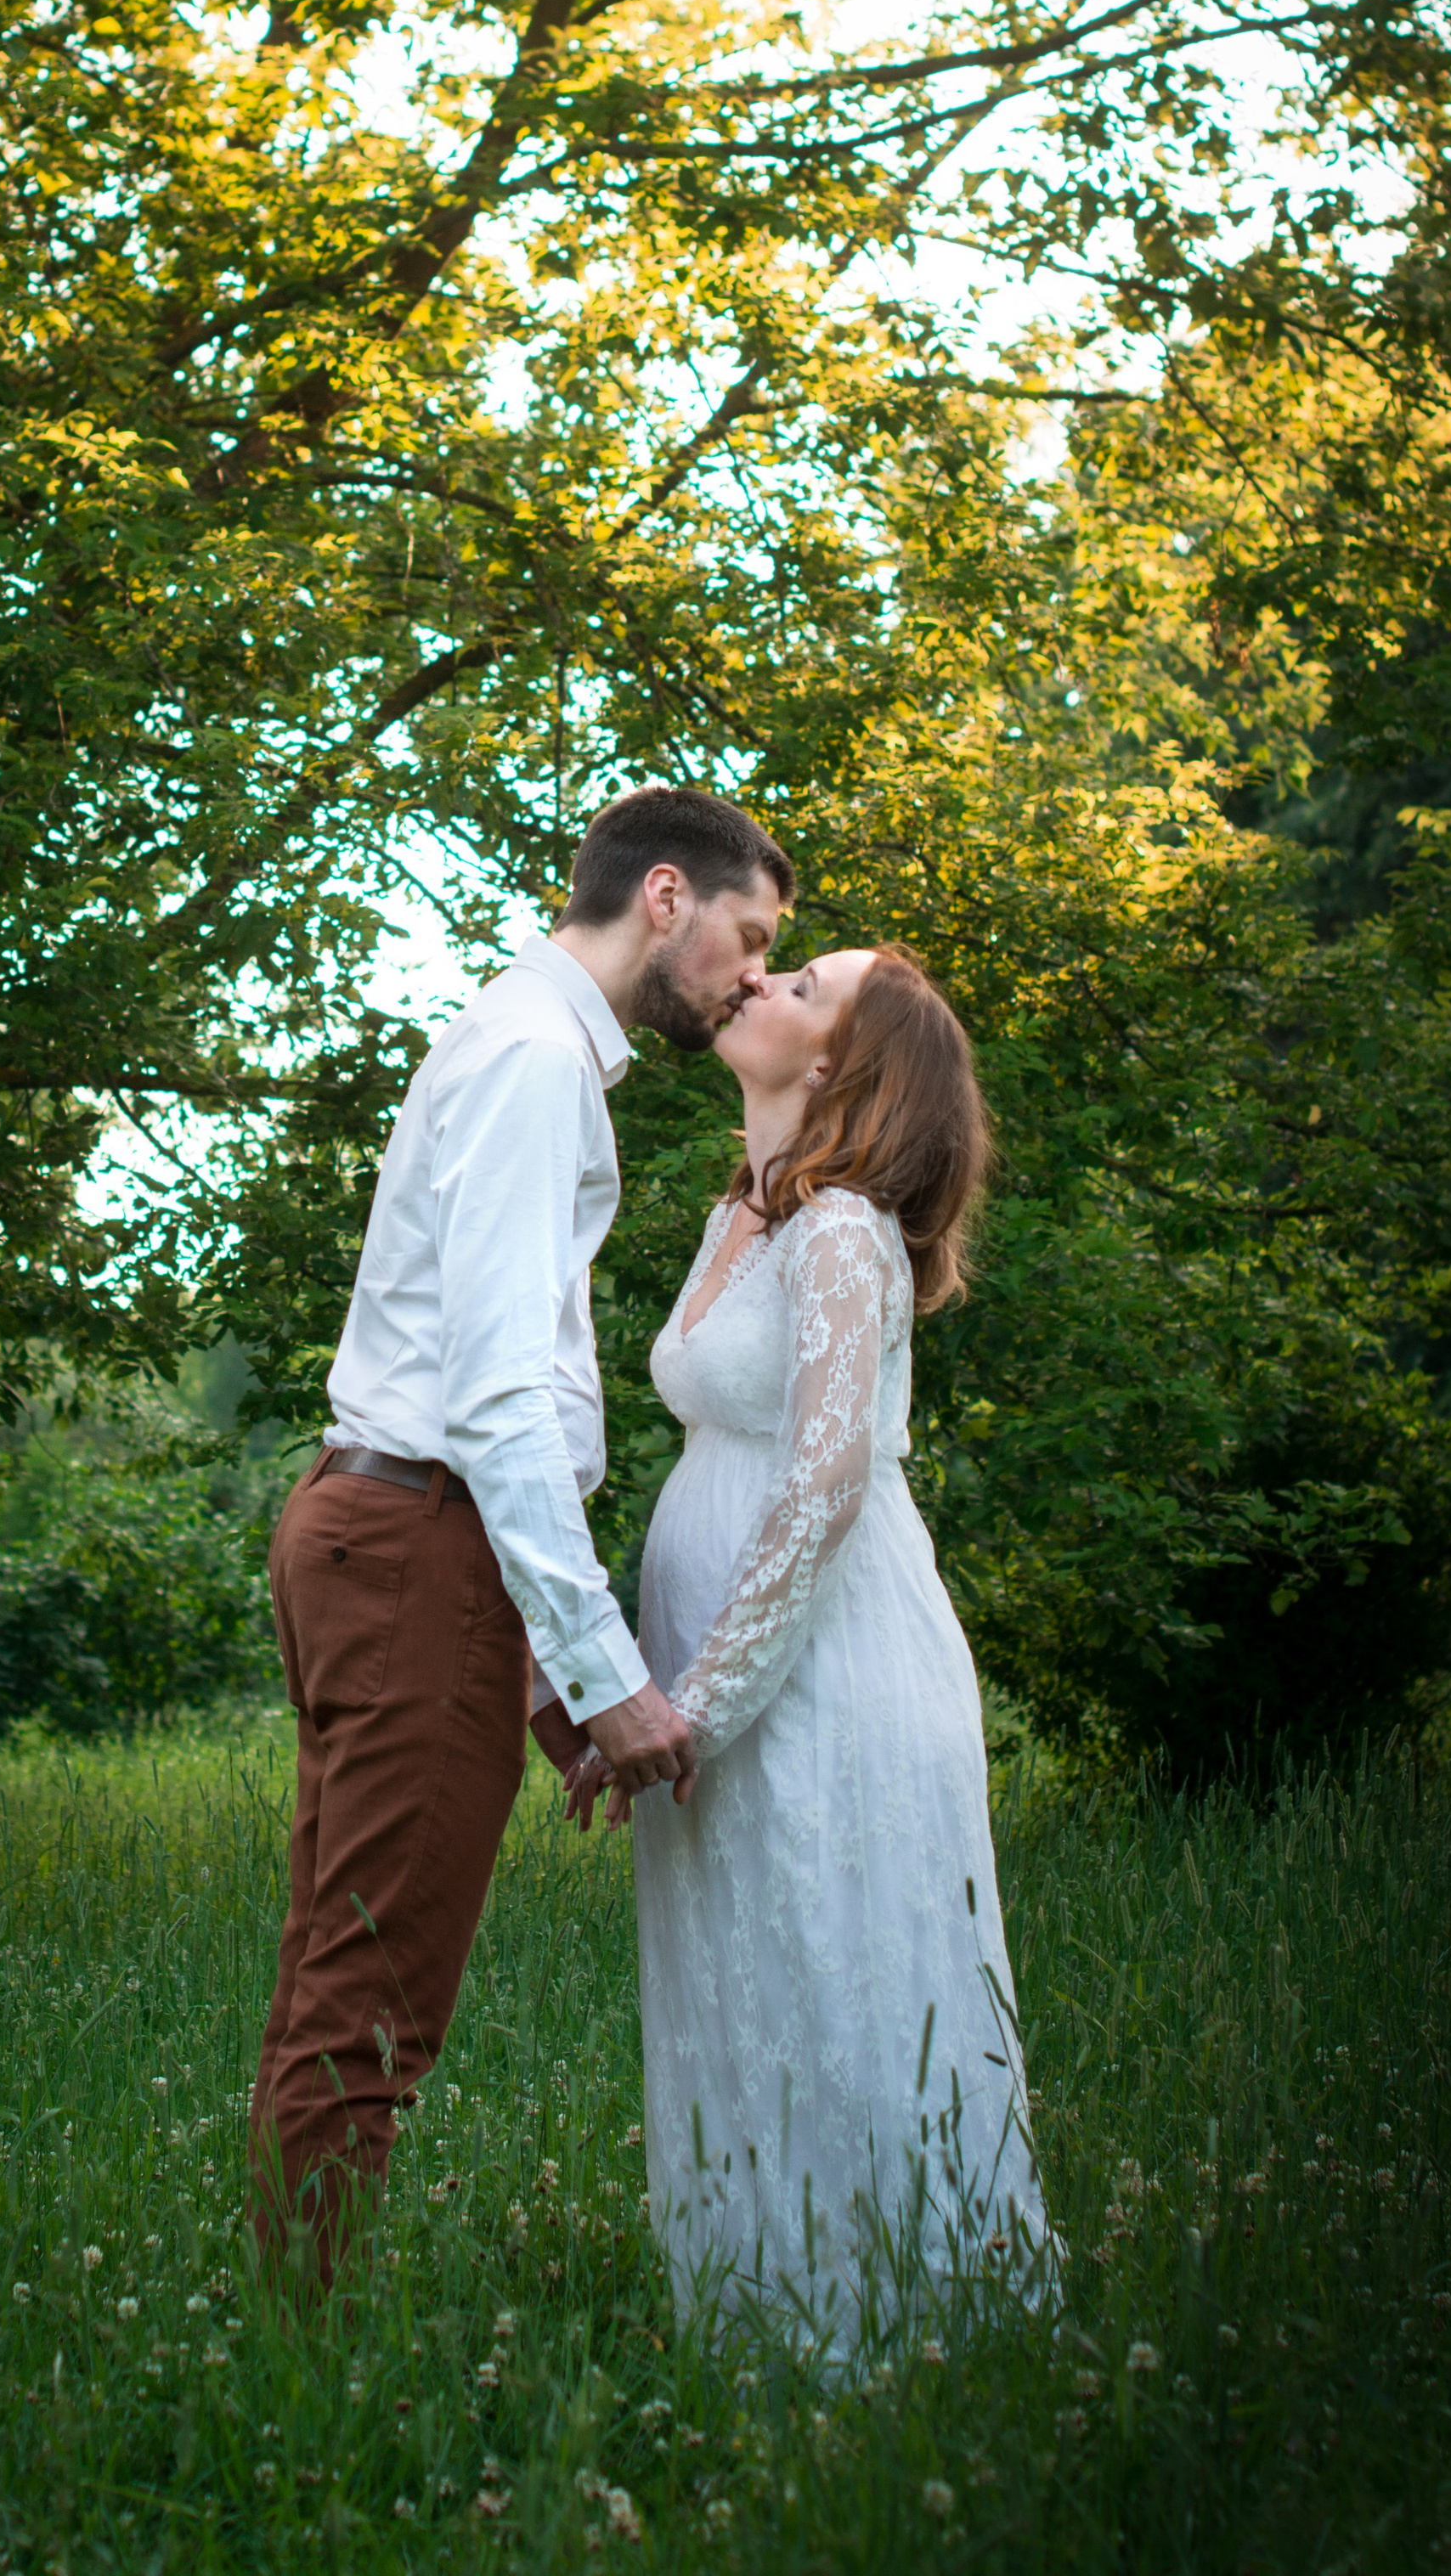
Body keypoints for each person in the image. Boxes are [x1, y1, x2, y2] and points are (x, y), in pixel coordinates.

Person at [249, 786, 794, 2278]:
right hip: (419, 1540)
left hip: (408, 1539)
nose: (754, 977)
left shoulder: (529, 1047)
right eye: (750, 938)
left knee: (339, 1965)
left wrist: (543, 1668)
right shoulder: (535, 1058)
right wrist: (607, 1670)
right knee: (372, 1994)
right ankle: (304, 2374)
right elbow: (495, 1398)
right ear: (667, 897)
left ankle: (287, 2326)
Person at [588, 944, 1051, 2355]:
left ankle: (897, 2334)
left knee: (839, 1975)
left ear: (845, 1062)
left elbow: (828, 1477)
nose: (760, 981)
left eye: (804, 986)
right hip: (725, 1660)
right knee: (743, 1975)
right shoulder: (746, 1213)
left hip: (824, 1665)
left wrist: (697, 1704)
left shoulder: (844, 1227)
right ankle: (754, 2311)